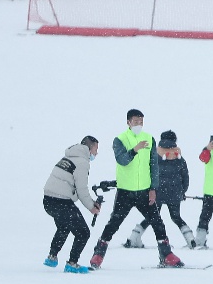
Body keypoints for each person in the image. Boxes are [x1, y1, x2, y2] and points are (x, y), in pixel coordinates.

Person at [89, 109, 179, 268]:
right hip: (125, 191)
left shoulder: (149, 139)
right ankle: (99, 253)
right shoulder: (120, 139)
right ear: (128, 122)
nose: (139, 125)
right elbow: (122, 160)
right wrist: (135, 150)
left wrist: (153, 188)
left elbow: (154, 165)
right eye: (136, 122)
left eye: (141, 122)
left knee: (157, 222)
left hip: (144, 192)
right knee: (114, 223)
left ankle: (166, 254)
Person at [43, 135, 102, 272]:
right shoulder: (82, 162)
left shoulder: (67, 157)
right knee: (83, 232)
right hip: (61, 201)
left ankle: (52, 257)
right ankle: (72, 263)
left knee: (64, 226)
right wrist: (92, 207)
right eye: (95, 149)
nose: (96, 153)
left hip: (48, 200)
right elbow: (81, 189)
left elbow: (71, 186)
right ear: (89, 148)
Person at [127, 129, 194, 248]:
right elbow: (185, 177)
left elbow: (147, 174)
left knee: (150, 217)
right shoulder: (179, 158)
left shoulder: (154, 156)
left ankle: (133, 238)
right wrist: (182, 192)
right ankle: (191, 240)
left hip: (156, 193)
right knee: (176, 217)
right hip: (174, 194)